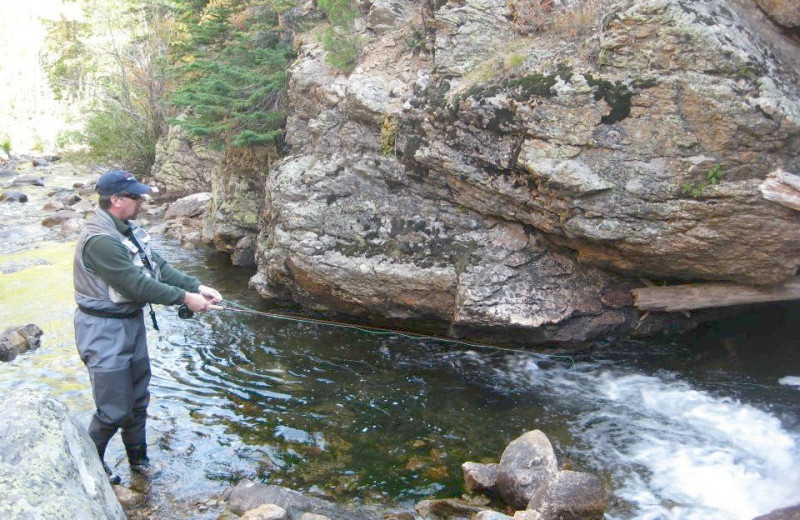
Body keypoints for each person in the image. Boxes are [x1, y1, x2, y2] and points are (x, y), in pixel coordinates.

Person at [73, 170, 222, 484]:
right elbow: (136, 285)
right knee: (113, 410)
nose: (141, 200)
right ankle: (90, 466)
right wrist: (186, 298)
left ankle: (138, 462)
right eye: (135, 196)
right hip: (102, 331)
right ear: (116, 200)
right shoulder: (100, 240)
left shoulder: (129, 230)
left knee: (138, 401)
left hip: (131, 325)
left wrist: (198, 286)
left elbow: (159, 268)